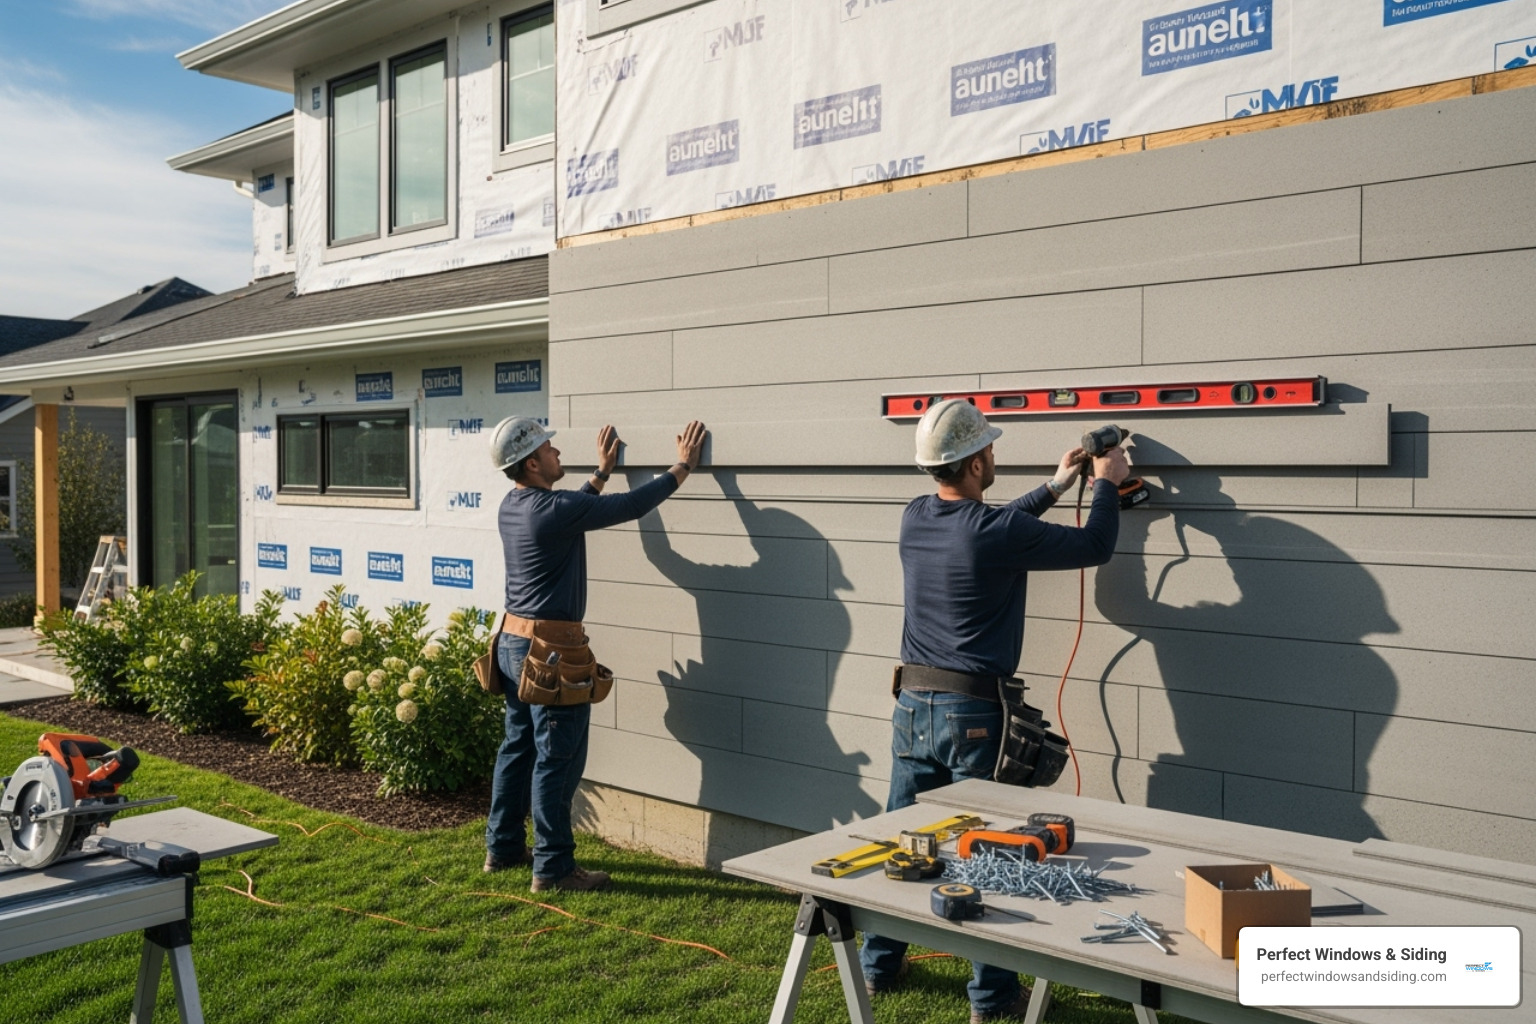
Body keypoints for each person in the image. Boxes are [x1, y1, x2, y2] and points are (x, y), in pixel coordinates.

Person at [859, 399, 1129, 1023]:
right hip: (972, 716)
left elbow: (992, 524)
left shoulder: (915, 516)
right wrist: (1107, 483)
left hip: (912, 707)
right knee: (986, 849)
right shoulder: (997, 532)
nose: (993, 456)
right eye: (990, 449)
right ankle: (993, 997)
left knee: (907, 841)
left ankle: (877, 966)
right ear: (977, 462)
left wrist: (1055, 486)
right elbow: (1096, 544)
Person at [484, 416, 708, 892]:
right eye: (548, 448)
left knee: (517, 749)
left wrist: (602, 473)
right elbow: (629, 506)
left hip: (511, 644)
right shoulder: (555, 509)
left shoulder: (513, 505)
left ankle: (502, 848)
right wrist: (683, 467)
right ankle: (553, 868)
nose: (557, 452)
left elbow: (575, 508)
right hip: (548, 655)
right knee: (556, 759)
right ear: (531, 463)